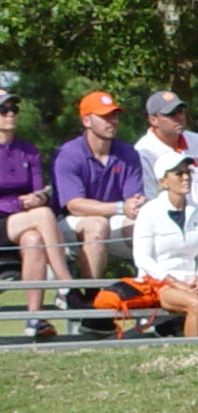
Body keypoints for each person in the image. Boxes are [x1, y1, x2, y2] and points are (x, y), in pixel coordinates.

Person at [115, 153, 198, 337]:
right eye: (178, 173)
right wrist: (173, 281)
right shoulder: (149, 211)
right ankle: (193, 354)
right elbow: (142, 258)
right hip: (158, 282)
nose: (186, 177)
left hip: (189, 281)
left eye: (188, 172)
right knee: (195, 304)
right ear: (164, 181)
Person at [134, 90, 198, 265]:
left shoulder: (197, 141)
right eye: (171, 114)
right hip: (173, 230)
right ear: (153, 120)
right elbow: (151, 200)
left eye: (181, 111)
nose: (179, 117)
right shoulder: (143, 151)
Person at [54, 91, 146, 279]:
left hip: (112, 219)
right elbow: (74, 205)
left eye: (114, 115)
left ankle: (150, 290)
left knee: (143, 226)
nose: (112, 121)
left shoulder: (128, 153)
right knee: (97, 225)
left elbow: (133, 200)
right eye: (104, 116)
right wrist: (121, 206)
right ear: (86, 121)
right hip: (69, 224)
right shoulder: (68, 153)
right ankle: (92, 296)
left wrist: (136, 205)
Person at [0, 92, 70, 337]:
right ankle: (66, 285)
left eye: (13, 109)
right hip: (5, 218)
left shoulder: (28, 151)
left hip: (23, 219)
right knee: (42, 216)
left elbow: (41, 190)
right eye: (3, 110)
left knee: (35, 240)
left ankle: (34, 317)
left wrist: (38, 197)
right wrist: (22, 204)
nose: (10, 114)